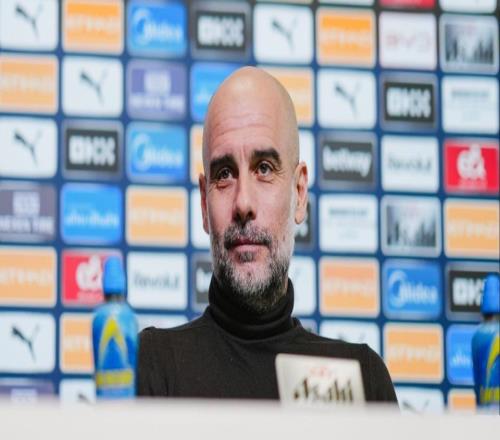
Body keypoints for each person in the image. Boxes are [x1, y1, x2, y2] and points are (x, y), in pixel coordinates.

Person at [137, 67, 397, 402]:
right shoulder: (151, 366)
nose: (243, 203)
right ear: (203, 203)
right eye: (225, 174)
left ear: (299, 194)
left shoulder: (363, 379)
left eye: (264, 168)